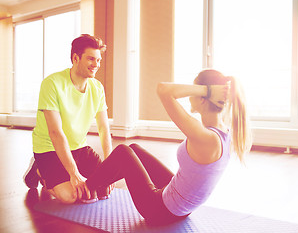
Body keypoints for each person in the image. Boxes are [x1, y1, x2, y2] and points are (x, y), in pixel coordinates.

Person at [83, 69, 252, 224]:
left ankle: (86, 189)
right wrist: (207, 90)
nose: (189, 95)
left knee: (122, 152)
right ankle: (102, 184)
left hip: (160, 211)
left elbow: (163, 90)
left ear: (202, 97)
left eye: (194, 90)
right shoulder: (224, 131)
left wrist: (205, 89)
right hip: (182, 207)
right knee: (134, 148)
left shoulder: (205, 137)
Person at [23, 34, 114, 204]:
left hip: (79, 148)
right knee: (71, 196)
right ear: (75, 58)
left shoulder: (97, 87)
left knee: (102, 188)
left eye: (99, 60)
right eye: (91, 59)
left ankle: (67, 172)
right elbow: (55, 132)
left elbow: (103, 128)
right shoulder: (52, 84)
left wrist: (109, 168)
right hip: (49, 148)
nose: (96, 64)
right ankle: (38, 171)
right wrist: (74, 173)